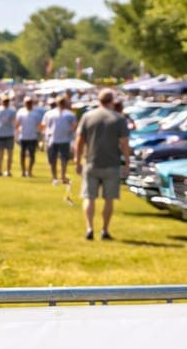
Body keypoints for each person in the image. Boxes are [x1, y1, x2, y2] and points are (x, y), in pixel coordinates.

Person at [74, 88, 133, 240]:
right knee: (109, 199)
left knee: (89, 197)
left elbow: (79, 140)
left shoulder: (88, 116)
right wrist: (127, 161)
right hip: (111, 163)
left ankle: (89, 228)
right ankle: (105, 230)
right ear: (112, 101)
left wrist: (77, 160)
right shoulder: (119, 119)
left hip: (91, 162)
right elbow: (124, 143)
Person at [45, 95, 77, 185]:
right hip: (55, 139)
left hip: (63, 139)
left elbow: (74, 126)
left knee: (61, 159)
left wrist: (70, 132)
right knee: (55, 159)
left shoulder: (69, 114)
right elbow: (46, 126)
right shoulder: (51, 114)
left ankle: (60, 177)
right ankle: (56, 177)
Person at [15, 97, 44, 177]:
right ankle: (23, 171)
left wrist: (41, 135)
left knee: (32, 155)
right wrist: (16, 134)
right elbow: (17, 124)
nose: (28, 104)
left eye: (29, 102)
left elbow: (39, 125)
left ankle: (29, 171)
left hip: (33, 136)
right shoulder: (21, 112)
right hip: (23, 136)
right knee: (22, 155)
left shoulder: (36, 113)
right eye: (27, 102)